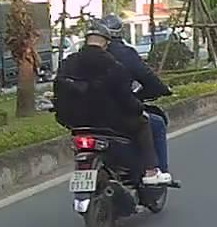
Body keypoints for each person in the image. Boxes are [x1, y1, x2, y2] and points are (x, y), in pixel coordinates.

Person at [53, 23, 172, 186]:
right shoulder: (113, 65)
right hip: (109, 121)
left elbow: (59, 90)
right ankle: (151, 171)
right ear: (106, 43)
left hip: (76, 122)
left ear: (86, 40)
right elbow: (125, 98)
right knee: (144, 122)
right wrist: (138, 107)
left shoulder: (68, 63)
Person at [101, 15, 173, 174]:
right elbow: (146, 77)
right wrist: (162, 89)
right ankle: (158, 172)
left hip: (86, 119)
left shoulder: (80, 56)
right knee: (156, 123)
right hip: (116, 115)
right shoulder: (123, 55)